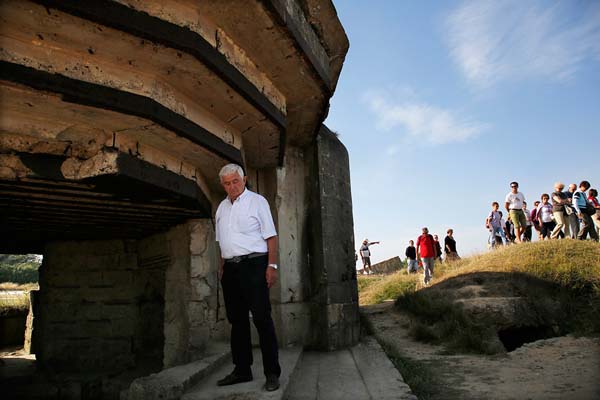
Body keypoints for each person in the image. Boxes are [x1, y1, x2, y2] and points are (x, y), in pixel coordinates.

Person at [215, 163, 281, 391]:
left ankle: (272, 373)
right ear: (222, 185)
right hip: (231, 270)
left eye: (235, 181)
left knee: (262, 318)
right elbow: (221, 241)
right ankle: (242, 370)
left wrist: (271, 265)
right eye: (227, 183)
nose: (232, 186)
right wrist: (222, 266)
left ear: (244, 179)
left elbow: (271, 236)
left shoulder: (257, 201)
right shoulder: (221, 208)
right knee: (237, 321)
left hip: (254, 264)